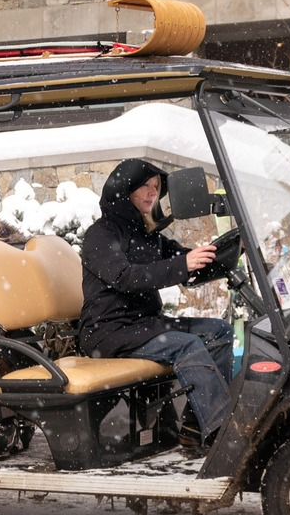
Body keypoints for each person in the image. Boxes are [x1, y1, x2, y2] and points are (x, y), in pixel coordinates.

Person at [77, 158, 239, 449]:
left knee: (219, 331)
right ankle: (221, 434)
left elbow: (186, 262)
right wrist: (182, 264)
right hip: (108, 330)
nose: (153, 192)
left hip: (144, 325)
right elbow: (125, 277)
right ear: (123, 190)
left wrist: (230, 253)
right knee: (187, 345)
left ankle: (195, 426)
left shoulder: (149, 236)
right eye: (145, 186)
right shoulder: (101, 234)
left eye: (156, 187)